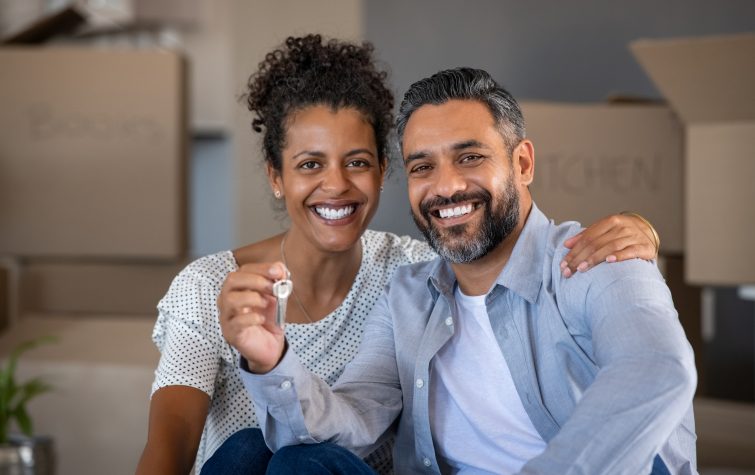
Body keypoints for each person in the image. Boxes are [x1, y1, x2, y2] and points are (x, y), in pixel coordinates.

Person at [135, 35, 661, 474]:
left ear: (383, 172)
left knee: (294, 460)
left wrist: (642, 234)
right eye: (310, 165)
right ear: (277, 176)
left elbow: (496, 231)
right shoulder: (215, 286)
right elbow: (172, 442)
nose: (335, 186)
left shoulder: (410, 270)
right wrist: (270, 360)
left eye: (357, 162)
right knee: (251, 448)